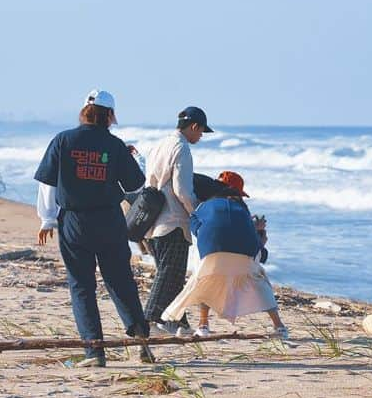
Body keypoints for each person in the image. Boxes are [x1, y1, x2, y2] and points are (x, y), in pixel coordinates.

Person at [34, 89, 153, 367]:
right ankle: (142, 341)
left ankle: (94, 352)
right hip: (109, 220)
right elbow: (136, 185)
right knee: (120, 280)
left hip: (74, 221)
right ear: (109, 115)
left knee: (82, 286)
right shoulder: (115, 145)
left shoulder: (63, 140)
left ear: (84, 111)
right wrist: (131, 157)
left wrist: (47, 219)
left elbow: (47, 184)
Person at [161, 171, 288, 339]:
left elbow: (196, 227)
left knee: (206, 280)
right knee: (260, 282)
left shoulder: (205, 206)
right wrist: (258, 234)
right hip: (244, 253)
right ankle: (279, 327)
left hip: (212, 250)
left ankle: (203, 326)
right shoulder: (241, 209)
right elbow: (254, 242)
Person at [141, 106, 213, 336]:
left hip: (153, 222)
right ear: (194, 126)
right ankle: (149, 321)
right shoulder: (181, 149)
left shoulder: (159, 145)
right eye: (201, 131)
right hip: (172, 221)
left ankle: (179, 323)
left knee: (172, 276)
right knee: (169, 275)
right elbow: (182, 190)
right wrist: (197, 212)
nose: (201, 136)